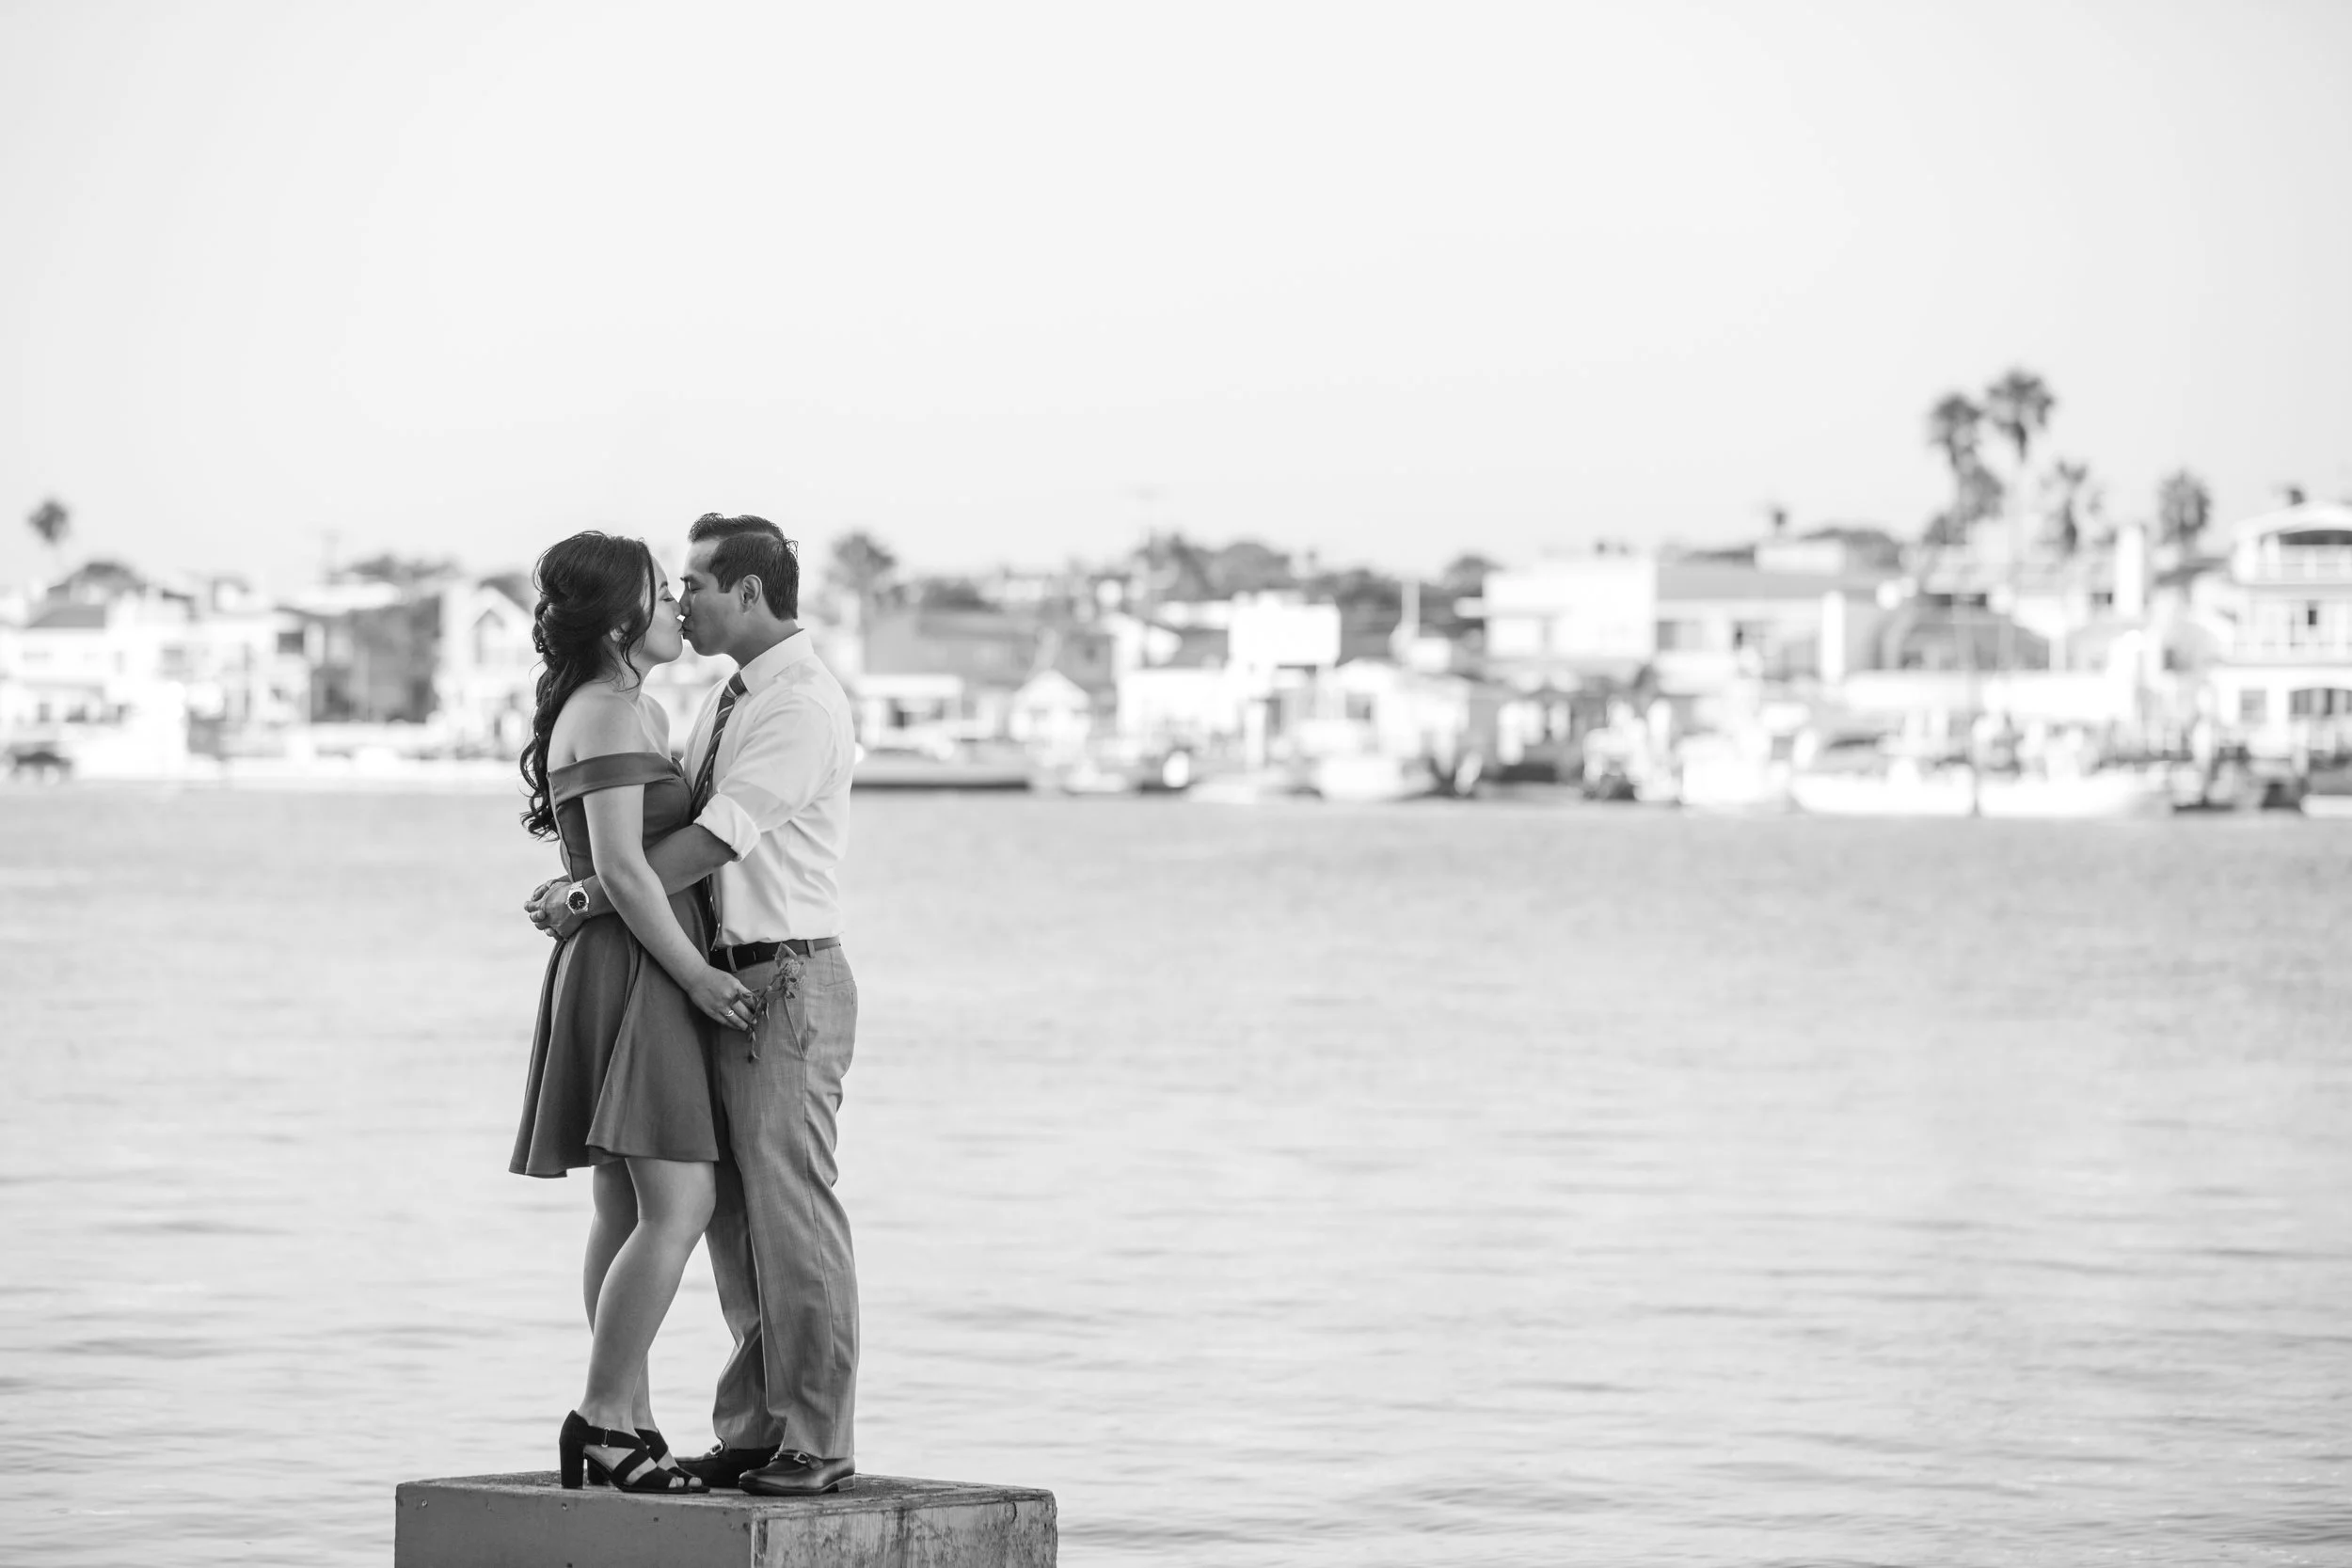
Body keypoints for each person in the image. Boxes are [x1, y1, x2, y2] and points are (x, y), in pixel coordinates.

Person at [528, 513, 861, 1498]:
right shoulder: (716, 697)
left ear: (749, 591)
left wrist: (591, 891)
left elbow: (715, 838)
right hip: (697, 972)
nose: (683, 599)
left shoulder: (796, 703)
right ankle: (727, 1424)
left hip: (775, 974)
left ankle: (811, 1435)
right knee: (714, 1218)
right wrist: (609, 894)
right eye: (668, 587)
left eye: (697, 583)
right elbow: (627, 840)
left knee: (785, 1213)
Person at [510, 531, 762, 1496]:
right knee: (681, 1202)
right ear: (621, 618)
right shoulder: (613, 708)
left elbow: (605, 870)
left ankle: (629, 1418)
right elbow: (618, 866)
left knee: (624, 1204)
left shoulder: (621, 704)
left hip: (618, 960)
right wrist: (698, 976)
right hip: (641, 968)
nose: (677, 609)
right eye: (662, 595)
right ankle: (605, 1415)